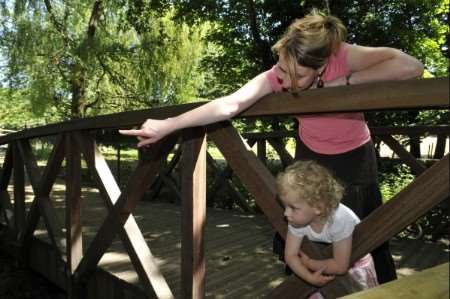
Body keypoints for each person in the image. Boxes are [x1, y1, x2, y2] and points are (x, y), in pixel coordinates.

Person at [119, 9, 424, 283]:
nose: (285, 80)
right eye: (281, 69)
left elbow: (411, 67)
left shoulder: (341, 56)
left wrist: (340, 85)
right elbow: (229, 104)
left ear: (321, 66)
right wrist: (168, 125)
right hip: (311, 159)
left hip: (354, 160)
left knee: (365, 242)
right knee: (305, 239)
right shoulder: (280, 73)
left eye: (299, 75)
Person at [276, 160, 378, 297]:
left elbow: (341, 266)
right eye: (285, 206)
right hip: (324, 264)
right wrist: (309, 277)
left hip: (355, 265)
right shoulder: (296, 220)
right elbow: (290, 255)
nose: (286, 213)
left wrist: (309, 264)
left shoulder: (340, 219)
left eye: (293, 207)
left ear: (318, 207)